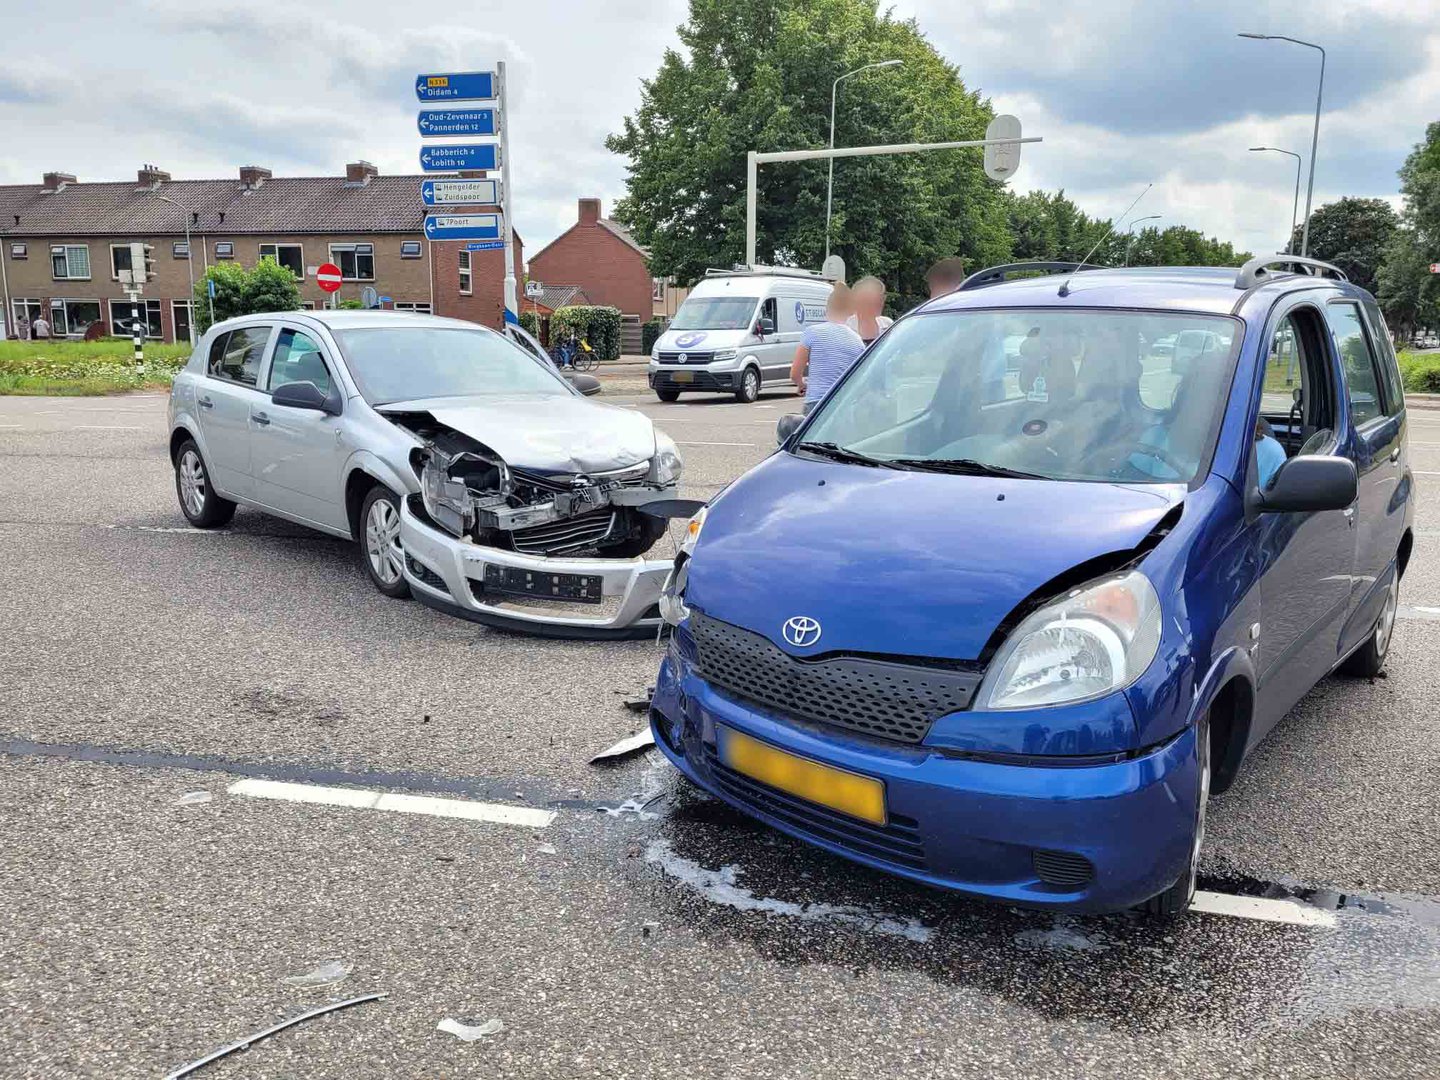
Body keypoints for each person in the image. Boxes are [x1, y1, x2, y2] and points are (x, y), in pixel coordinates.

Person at [791, 283, 864, 413]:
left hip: (816, 402)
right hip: (843, 404)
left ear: (827, 308)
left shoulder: (812, 333)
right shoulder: (857, 340)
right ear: (849, 312)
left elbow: (795, 373)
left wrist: (801, 385)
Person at [846, 276, 892, 345]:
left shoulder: (887, 324)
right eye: (874, 299)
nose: (881, 302)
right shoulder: (847, 327)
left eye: (881, 297)